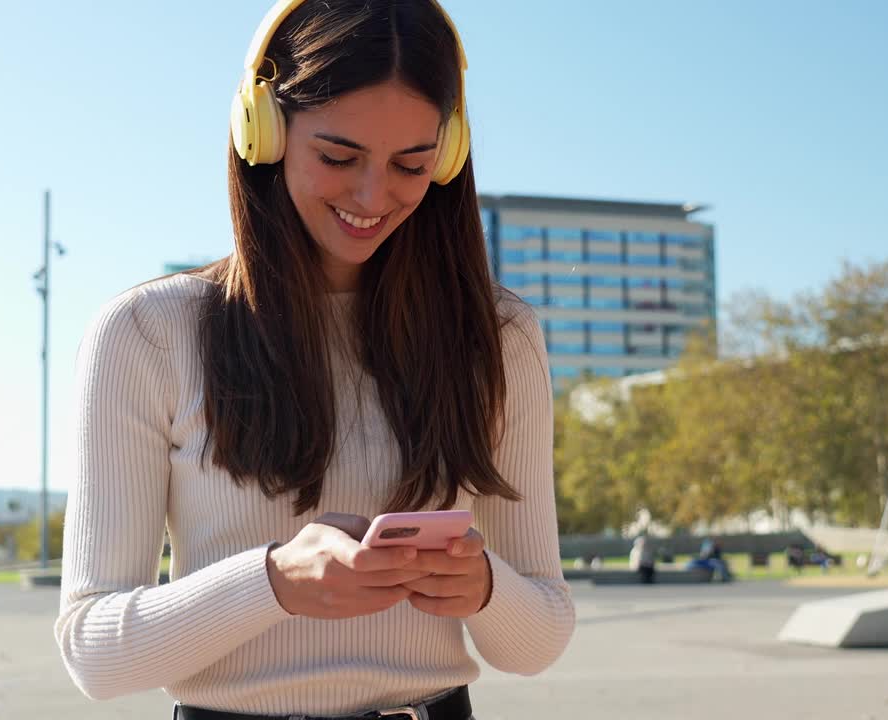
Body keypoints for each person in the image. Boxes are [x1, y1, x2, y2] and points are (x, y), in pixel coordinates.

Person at [53, 2, 575, 719]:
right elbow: (93, 652)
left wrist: (483, 586)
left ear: (448, 157)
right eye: (338, 157)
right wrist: (274, 583)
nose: (372, 196)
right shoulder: (146, 333)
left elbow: (538, 640)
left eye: (411, 165)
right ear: (260, 132)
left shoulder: (501, 335)